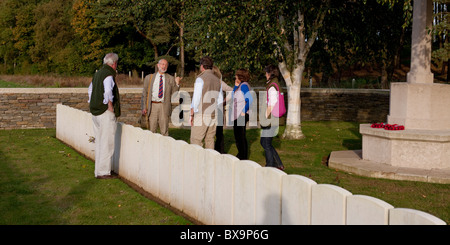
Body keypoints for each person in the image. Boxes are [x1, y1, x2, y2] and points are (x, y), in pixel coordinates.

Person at [88, 53, 121, 179]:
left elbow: (90, 90)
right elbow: (108, 91)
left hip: (95, 112)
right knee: (107, 143)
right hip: (104, 112)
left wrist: (92, 102)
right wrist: (110, 107)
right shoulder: (108, 75)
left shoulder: (98, 73)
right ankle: (103, 172)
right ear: (114, 63)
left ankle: (98, 170)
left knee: (99, 142)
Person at [141, 58, 182, 136]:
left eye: (166, 65)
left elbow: (174, 94)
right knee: (152, 130)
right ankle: (152, 147)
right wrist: (144, 107)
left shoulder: (170, 78)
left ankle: (165, 147)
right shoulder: (149, 78)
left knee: (164, 130)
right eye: (162, 64)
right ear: (158, 65)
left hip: (164, 106)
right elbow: (144, 94)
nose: (164, 66)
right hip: (152, 106)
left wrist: (177, 84)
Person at [190, 56, 222, 149]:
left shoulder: (201, 78)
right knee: (210, 140)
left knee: (196, 140)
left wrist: (191, 114)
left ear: (202, 66)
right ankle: (210, 163)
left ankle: (197, 163)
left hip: (201, 114)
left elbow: (196, 99)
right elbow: (219, 100)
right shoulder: (217, 80)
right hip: (213, 113)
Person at [260, 64, 284, 170]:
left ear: (270, 73)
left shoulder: (272, 87)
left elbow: (272, 103)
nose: (265, 74)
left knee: (266, 143)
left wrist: (265, 117)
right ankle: (278, 164)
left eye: (266, 72)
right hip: (273, 118)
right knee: (264, 142)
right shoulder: (274, 84)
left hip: (270, 119)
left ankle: (270, 165)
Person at [230, 69, 253, 160]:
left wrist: (243, 112)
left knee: (240, 136)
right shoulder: (240, 86)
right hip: (238, 114)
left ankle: (243, 156)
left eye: (236, 75)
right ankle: (241, 154)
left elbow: (249, 99)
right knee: (238, 135)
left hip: (241, 114)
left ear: (240, 76)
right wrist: (235, 86)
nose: (235, 77)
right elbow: (233, 96)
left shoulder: (244, 86)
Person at [213, 66, 233, 154]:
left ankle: (219, 151)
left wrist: (225, 100)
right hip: (216, 108)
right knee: (217, 132)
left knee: (218, 132)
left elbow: (232, 91)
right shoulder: (219, 82)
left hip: (217, 108)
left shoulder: (220, 82)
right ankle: (218, 150)